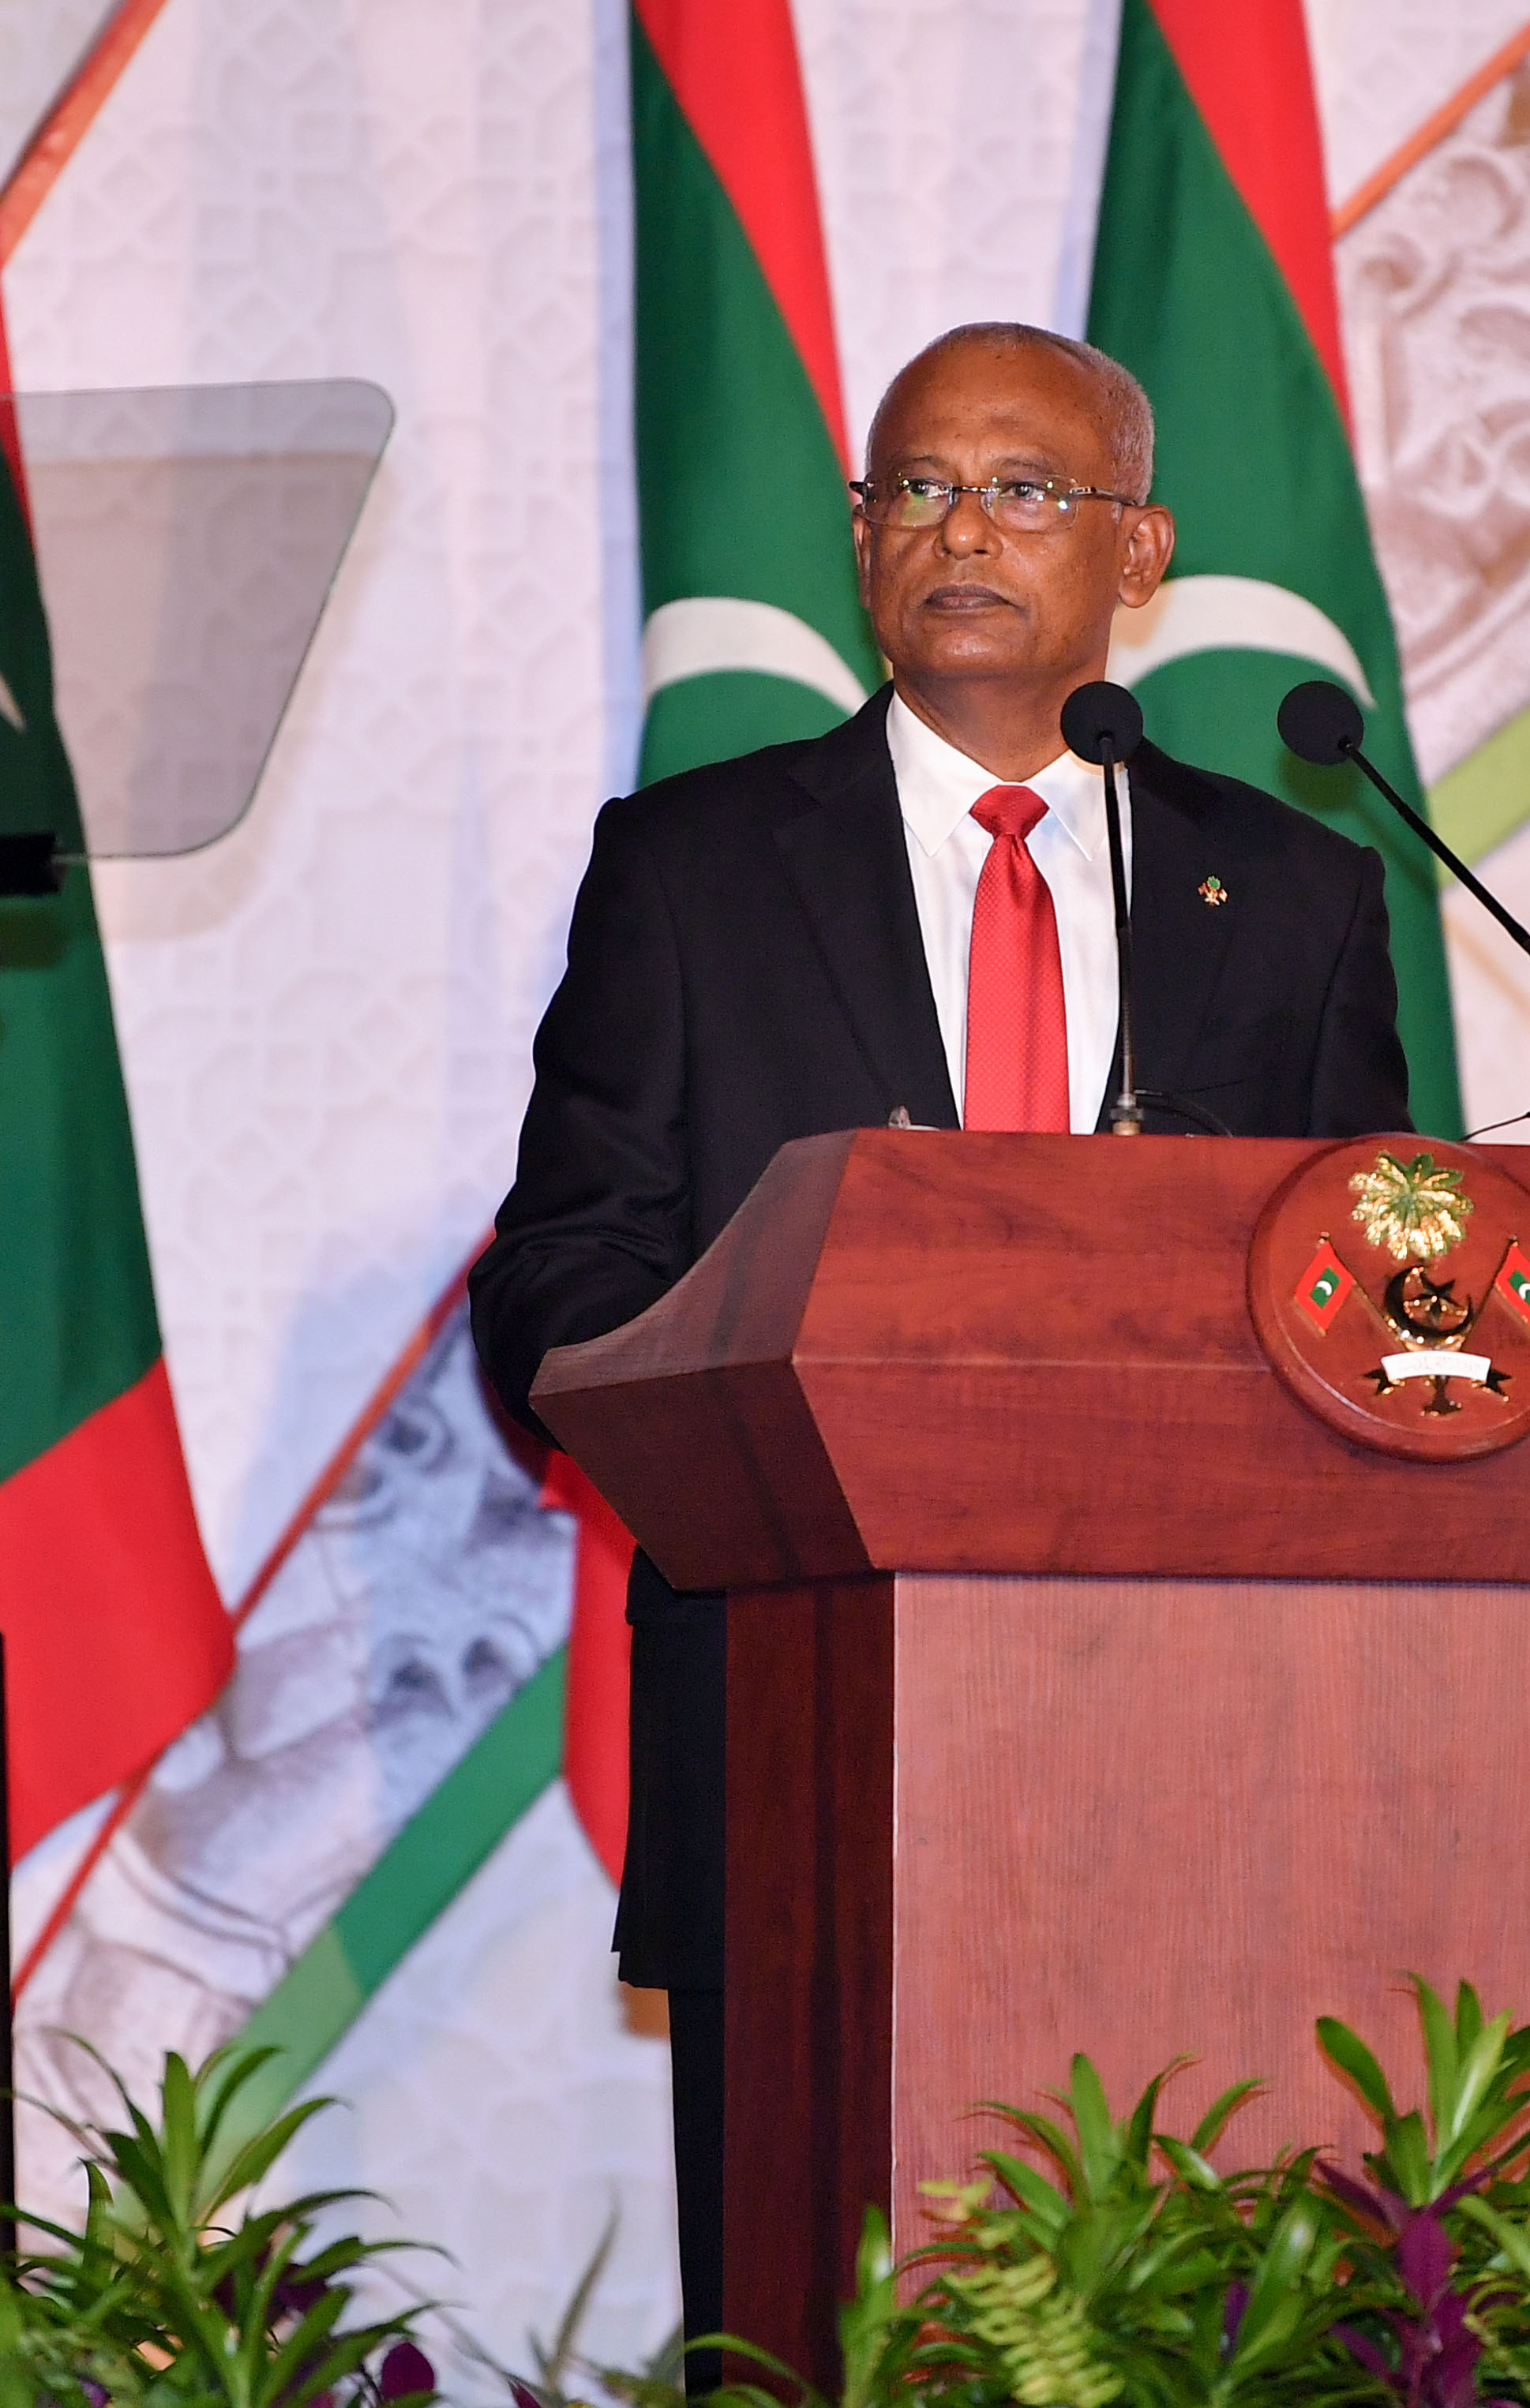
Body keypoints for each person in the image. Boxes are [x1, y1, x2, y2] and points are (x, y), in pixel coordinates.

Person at [470, 320, 1412, 2370]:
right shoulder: (689, 870)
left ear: (1138, 550)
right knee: (813, 2345)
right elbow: (556, 1277)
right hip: (796, 1736)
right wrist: (756, 1425)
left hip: (1206, 1754)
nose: (961, 528)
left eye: (1024, 490)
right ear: (859, 542)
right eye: (918, 486)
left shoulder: (1297, 897)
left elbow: (1369, 1302)